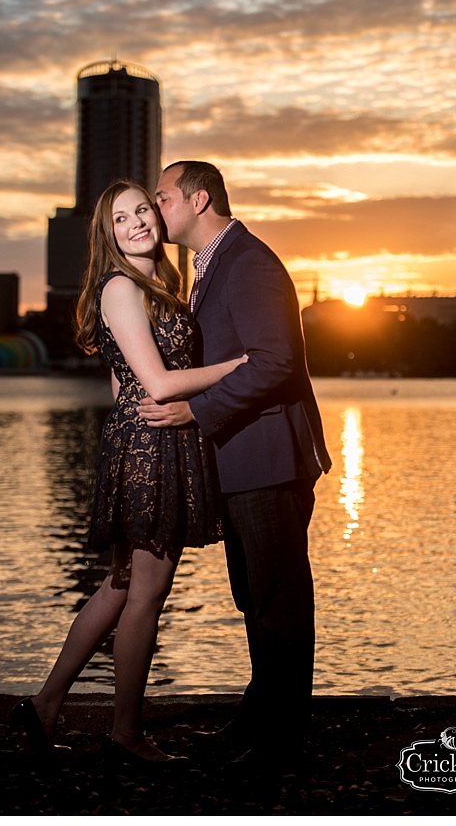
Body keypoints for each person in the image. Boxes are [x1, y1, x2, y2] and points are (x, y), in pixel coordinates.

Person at [12, 180, 243, 764]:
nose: (138, 222)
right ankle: (126, 732)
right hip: (150, 448)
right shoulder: (121, 287)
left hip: (151, 440)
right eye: (122, 218)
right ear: (107, 235)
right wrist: (240, 365)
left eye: (143, 209)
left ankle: (44, 705)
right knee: (147, 592)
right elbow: (159, 383)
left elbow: (123, 382)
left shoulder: (162, 283)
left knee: (120, 587)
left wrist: (143, 416)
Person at [141, 161, 331, 770]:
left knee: (278, 599)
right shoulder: (210, 266)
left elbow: (275, 361)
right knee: (254, 595)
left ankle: (280, 743)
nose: (154, 209)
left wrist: (197, 411)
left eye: (163, 198)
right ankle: (258, 721)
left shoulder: (248, 262)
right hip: (242, 459)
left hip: (269, 457)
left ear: (199, 200)